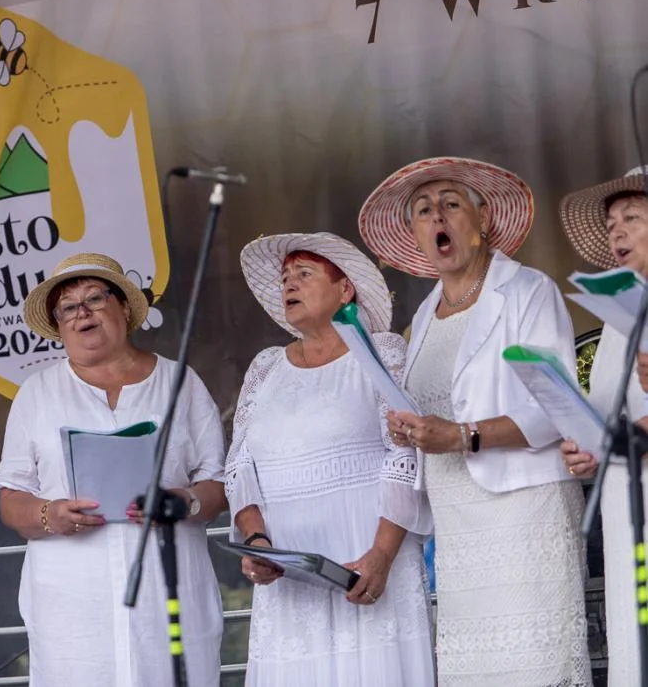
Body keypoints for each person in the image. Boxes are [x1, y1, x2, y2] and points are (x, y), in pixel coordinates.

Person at [359, 157, 591, 685]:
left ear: (482, 220)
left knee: (534, 666)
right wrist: (409, 429)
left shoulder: (528, 290)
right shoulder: (424, 315)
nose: (437, 215)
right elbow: (433, 407)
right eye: (423, 210)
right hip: (457, 525)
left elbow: (556, 407)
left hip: (524, 514)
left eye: (451, 203)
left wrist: (463, 436)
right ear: (416, 235)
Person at [0, 252, 227, 687]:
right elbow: (11, 499)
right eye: (67, 307)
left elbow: (218, 482)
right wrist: (50, 514)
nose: (82, 312)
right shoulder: (37, 393)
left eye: (95, 298)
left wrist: (185, 501)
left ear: (123, 306)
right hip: (73, 606)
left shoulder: (180, 382)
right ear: (59, 326)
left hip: (167, 590)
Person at [225, 232, 434, 686]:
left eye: (304, 273)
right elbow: (240, 467)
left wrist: (381, 555)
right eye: (285, 277)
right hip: (289, 574)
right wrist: (256, 541)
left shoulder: (382, 351)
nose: (289, 284)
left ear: (345, 290)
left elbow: (404, 455)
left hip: (367, 556)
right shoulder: (265, 367)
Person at [559, 166, 648, 687]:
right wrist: (589, 449)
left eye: (632, 217)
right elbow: (609, 414)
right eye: (611, 224)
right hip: (622, 502)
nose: (617, 231)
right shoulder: (616, 319)